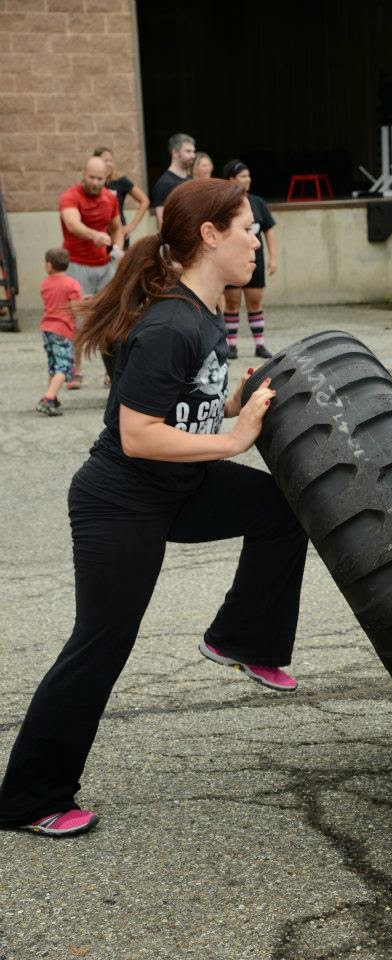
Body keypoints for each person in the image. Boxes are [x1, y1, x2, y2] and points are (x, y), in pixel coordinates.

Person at [0, 178, 309, 838]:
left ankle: (240, 638)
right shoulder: (172, 322)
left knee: (284, 507)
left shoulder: (204, 314)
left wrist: (241, 404)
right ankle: (28, 798)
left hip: (180, 487)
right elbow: (139, 434)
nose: (257, 239)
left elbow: (185, 404)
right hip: (122, 502)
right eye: (247, 228)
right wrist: (235, 438)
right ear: (211, 235)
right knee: (101, 645)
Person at [59, 156, 124, 387]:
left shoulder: (109, 198)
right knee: (78, 319)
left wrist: (116, 249)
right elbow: (72, 224)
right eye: (91, 177)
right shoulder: (71, 196)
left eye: (100, 178)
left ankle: (112, 371)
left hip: (105, 266)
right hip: (77, 264)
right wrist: (94, 235)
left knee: (111, 318)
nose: (95, 182)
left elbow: (117, 227)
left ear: (106, 178)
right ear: (83, 174)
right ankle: (76, 370)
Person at [222, 159, 277, 360]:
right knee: (232, 303)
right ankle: (232, 346)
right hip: (233, 260)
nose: (248, 179)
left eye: (248, 176)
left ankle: (260, 346)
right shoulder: (225, 204)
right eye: (243, 176)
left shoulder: (258, 203)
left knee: (255, 303)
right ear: (231, 179)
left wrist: (273, 258)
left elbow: (269, 230)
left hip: (256, 261)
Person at [36, 248, 83, 417]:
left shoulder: (45, 283)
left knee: (53, 366)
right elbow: (75, 308)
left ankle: (53, 396)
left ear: (49, 265)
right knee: (64, 367)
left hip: (47, 329)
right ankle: (48, 399)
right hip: (63, 330)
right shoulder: (72, 284)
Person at [93, 146, 150, 250]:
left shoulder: (121, 182)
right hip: (99, 237)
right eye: (106, 160)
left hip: (118, 236)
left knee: (119, 264)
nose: (109, 164)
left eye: (111, 160)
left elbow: (144, 200)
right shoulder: (93, 184)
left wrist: (131, 226)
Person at [150, 132, 196, 227]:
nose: (193, 155)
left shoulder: (191, 179)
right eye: (188, 151)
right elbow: (162, 222)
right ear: (175, 153)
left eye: (193, 151)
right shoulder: (164, 183)